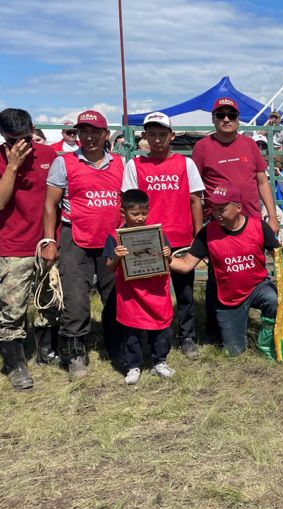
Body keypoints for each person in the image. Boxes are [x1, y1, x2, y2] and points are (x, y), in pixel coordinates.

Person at [42, 110, 123, 380]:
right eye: (83, 131)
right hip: (75, 236)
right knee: (76, 298)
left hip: (111, 238)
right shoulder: (64, 162)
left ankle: (116, 345)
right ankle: (75, 351)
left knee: (114, 294)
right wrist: (50, 241)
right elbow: (50, 205)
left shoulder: (120, 163)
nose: (88, 137)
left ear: (105, 134)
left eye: (94, 131)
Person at [170, 184, 283, 357]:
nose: (217, 214)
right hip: (228, 297)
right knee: (234, 352)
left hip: (258, 287)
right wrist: (161, 260)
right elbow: (185, 265)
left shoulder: (259, 226)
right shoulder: (207, 233)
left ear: (238, 208)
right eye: (214, 209)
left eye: (222, 209)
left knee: (274, 300)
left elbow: (279, 257)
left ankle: (266, 341)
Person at [122, 112, 204, 359]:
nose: (157, 140)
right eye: (152, 134)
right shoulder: (134, 165)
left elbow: (195, 200)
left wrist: (198, 236)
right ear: (144, 136)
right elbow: (128, 204)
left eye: (162, 134)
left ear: (172, 135)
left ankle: (187, 336)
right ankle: (151, 335)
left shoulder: (186, 163)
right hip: (147, 240)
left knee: (185, 292)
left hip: (181, 239)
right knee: (150, 293)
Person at [0, 108, 60, 389]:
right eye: (12, 140)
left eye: (24, 139)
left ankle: (46, 350)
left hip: (46, 241)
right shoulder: (2, 158)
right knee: (12, 308)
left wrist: (52, 239)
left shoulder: (49, 155)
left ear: (33, 130)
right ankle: (15, 363)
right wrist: (12, 166)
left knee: (49, 300)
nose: (19, 146)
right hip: (12, 245)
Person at [104, 189, 175, 385]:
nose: (140, 218)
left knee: (161, 329)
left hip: (156, 291)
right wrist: (117, 256)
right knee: (131, 332)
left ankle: (160, 361)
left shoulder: (156, 233)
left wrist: (168, 254)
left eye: (144, 213)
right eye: (135, 213)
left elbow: (168, 261)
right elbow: (109, 267)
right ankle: (133, 366)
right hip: (131, 295)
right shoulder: (114, 237)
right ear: (123, 212)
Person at [191, 97, 279, 234]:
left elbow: (263, 183)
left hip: (251, 219)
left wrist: (272, 217)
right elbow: (195, 192)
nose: (226, 119)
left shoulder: (250, 144)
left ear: (238, 119)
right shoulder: (202, 147)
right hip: (218, 221)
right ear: (213, 119)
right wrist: (198, 230)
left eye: (231, 115)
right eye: (221, 115)